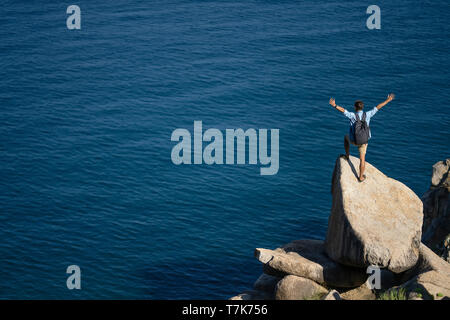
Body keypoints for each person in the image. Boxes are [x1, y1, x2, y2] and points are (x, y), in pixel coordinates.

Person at [328, 94, 395, 182]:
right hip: (364, 141)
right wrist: (388, 100)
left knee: (346, 137)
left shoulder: (352, 115)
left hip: (353, 140)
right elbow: (378, 107)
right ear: (362, 107)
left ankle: (347, 156)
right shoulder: (368, 114)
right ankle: (360, 177)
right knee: (362, 159)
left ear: (355, 108)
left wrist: (335, 105)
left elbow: (343, 111)